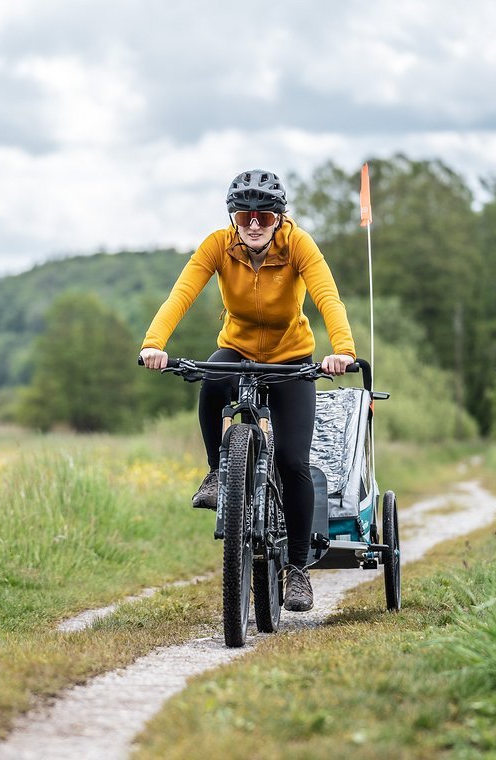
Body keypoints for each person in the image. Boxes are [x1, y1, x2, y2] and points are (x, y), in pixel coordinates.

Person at [139, 169, 356, 613]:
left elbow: (328, 298)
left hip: (292, 359)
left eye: (265, 215)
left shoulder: (298, 244)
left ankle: (296, 569)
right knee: (212, 376)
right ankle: (219, 472)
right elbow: (180, 295)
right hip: (236, 349)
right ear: (233, 217)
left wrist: (343, 351)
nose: (254, 224)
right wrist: (153, 344)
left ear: (280, 217)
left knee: (294, 461)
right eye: (244, 214)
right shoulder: (217, 245)